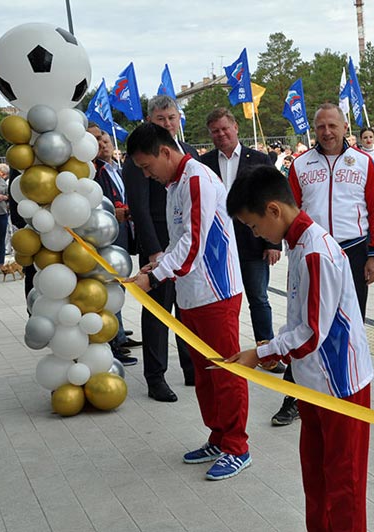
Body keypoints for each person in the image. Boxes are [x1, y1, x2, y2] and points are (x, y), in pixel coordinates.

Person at [226, 164, 373, 532]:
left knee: (344, 485)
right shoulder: (299, 244)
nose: (258, 236)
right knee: (317, 478)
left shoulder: (315, 252)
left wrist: (260, 353)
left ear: (274, 210)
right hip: (313, 384)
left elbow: (310, 335)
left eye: (255, 227)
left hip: (341, 385)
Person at [125, 122, 251, 481]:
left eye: (148, 166)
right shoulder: (174, 184)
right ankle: (218, 436)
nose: (148, 175)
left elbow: (194, 243)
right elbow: (180, 240)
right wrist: (158, 261)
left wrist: (154, 276)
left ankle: (237, 446)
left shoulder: (197, 178)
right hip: (191, 294)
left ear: (165, 152)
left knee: (225, 371)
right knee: (204, 373)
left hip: (216, 292)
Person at [275, 103, 374, 426]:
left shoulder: (363, 163)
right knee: (304, 326)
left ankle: (346, 387)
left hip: (352, 252)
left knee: (349, 326)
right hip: (311, 254)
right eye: (320, 126)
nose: (326, 132)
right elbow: (288, 210)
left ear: (344, 127)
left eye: (332, 126)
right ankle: (294, 396)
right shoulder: (300, 165)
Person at [199, 108, 285, 375]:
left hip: (253, 243)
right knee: (221, 302)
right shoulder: (204, 164)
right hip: (215, 248)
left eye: (225, 128)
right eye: (215, 131)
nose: (221, 134)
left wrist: (274, 243)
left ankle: (267, 353)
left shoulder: (258, 159)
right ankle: (226, 352)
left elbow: (276, 199)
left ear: (236, 127)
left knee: (258, 298)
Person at [123, 95, 195, 401]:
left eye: (171, 118)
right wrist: (153, 251)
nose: (167, 124)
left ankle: (192, 367)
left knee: (187, 308)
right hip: (158, 245)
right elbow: (138, 207)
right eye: (161, 119)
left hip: (186, 246)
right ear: (151, 122)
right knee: (157, 312)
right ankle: (155, 377)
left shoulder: (189, 154)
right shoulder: (138, 157)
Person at [88, 125, 140, 367]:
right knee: (108, 289)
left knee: (118, 287)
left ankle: (118, 333)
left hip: (121, 235)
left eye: (104, 139)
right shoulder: (93, 171)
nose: (103, 144)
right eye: (96, 140)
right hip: (105, 237)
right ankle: (112, 342)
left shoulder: (115, 168)